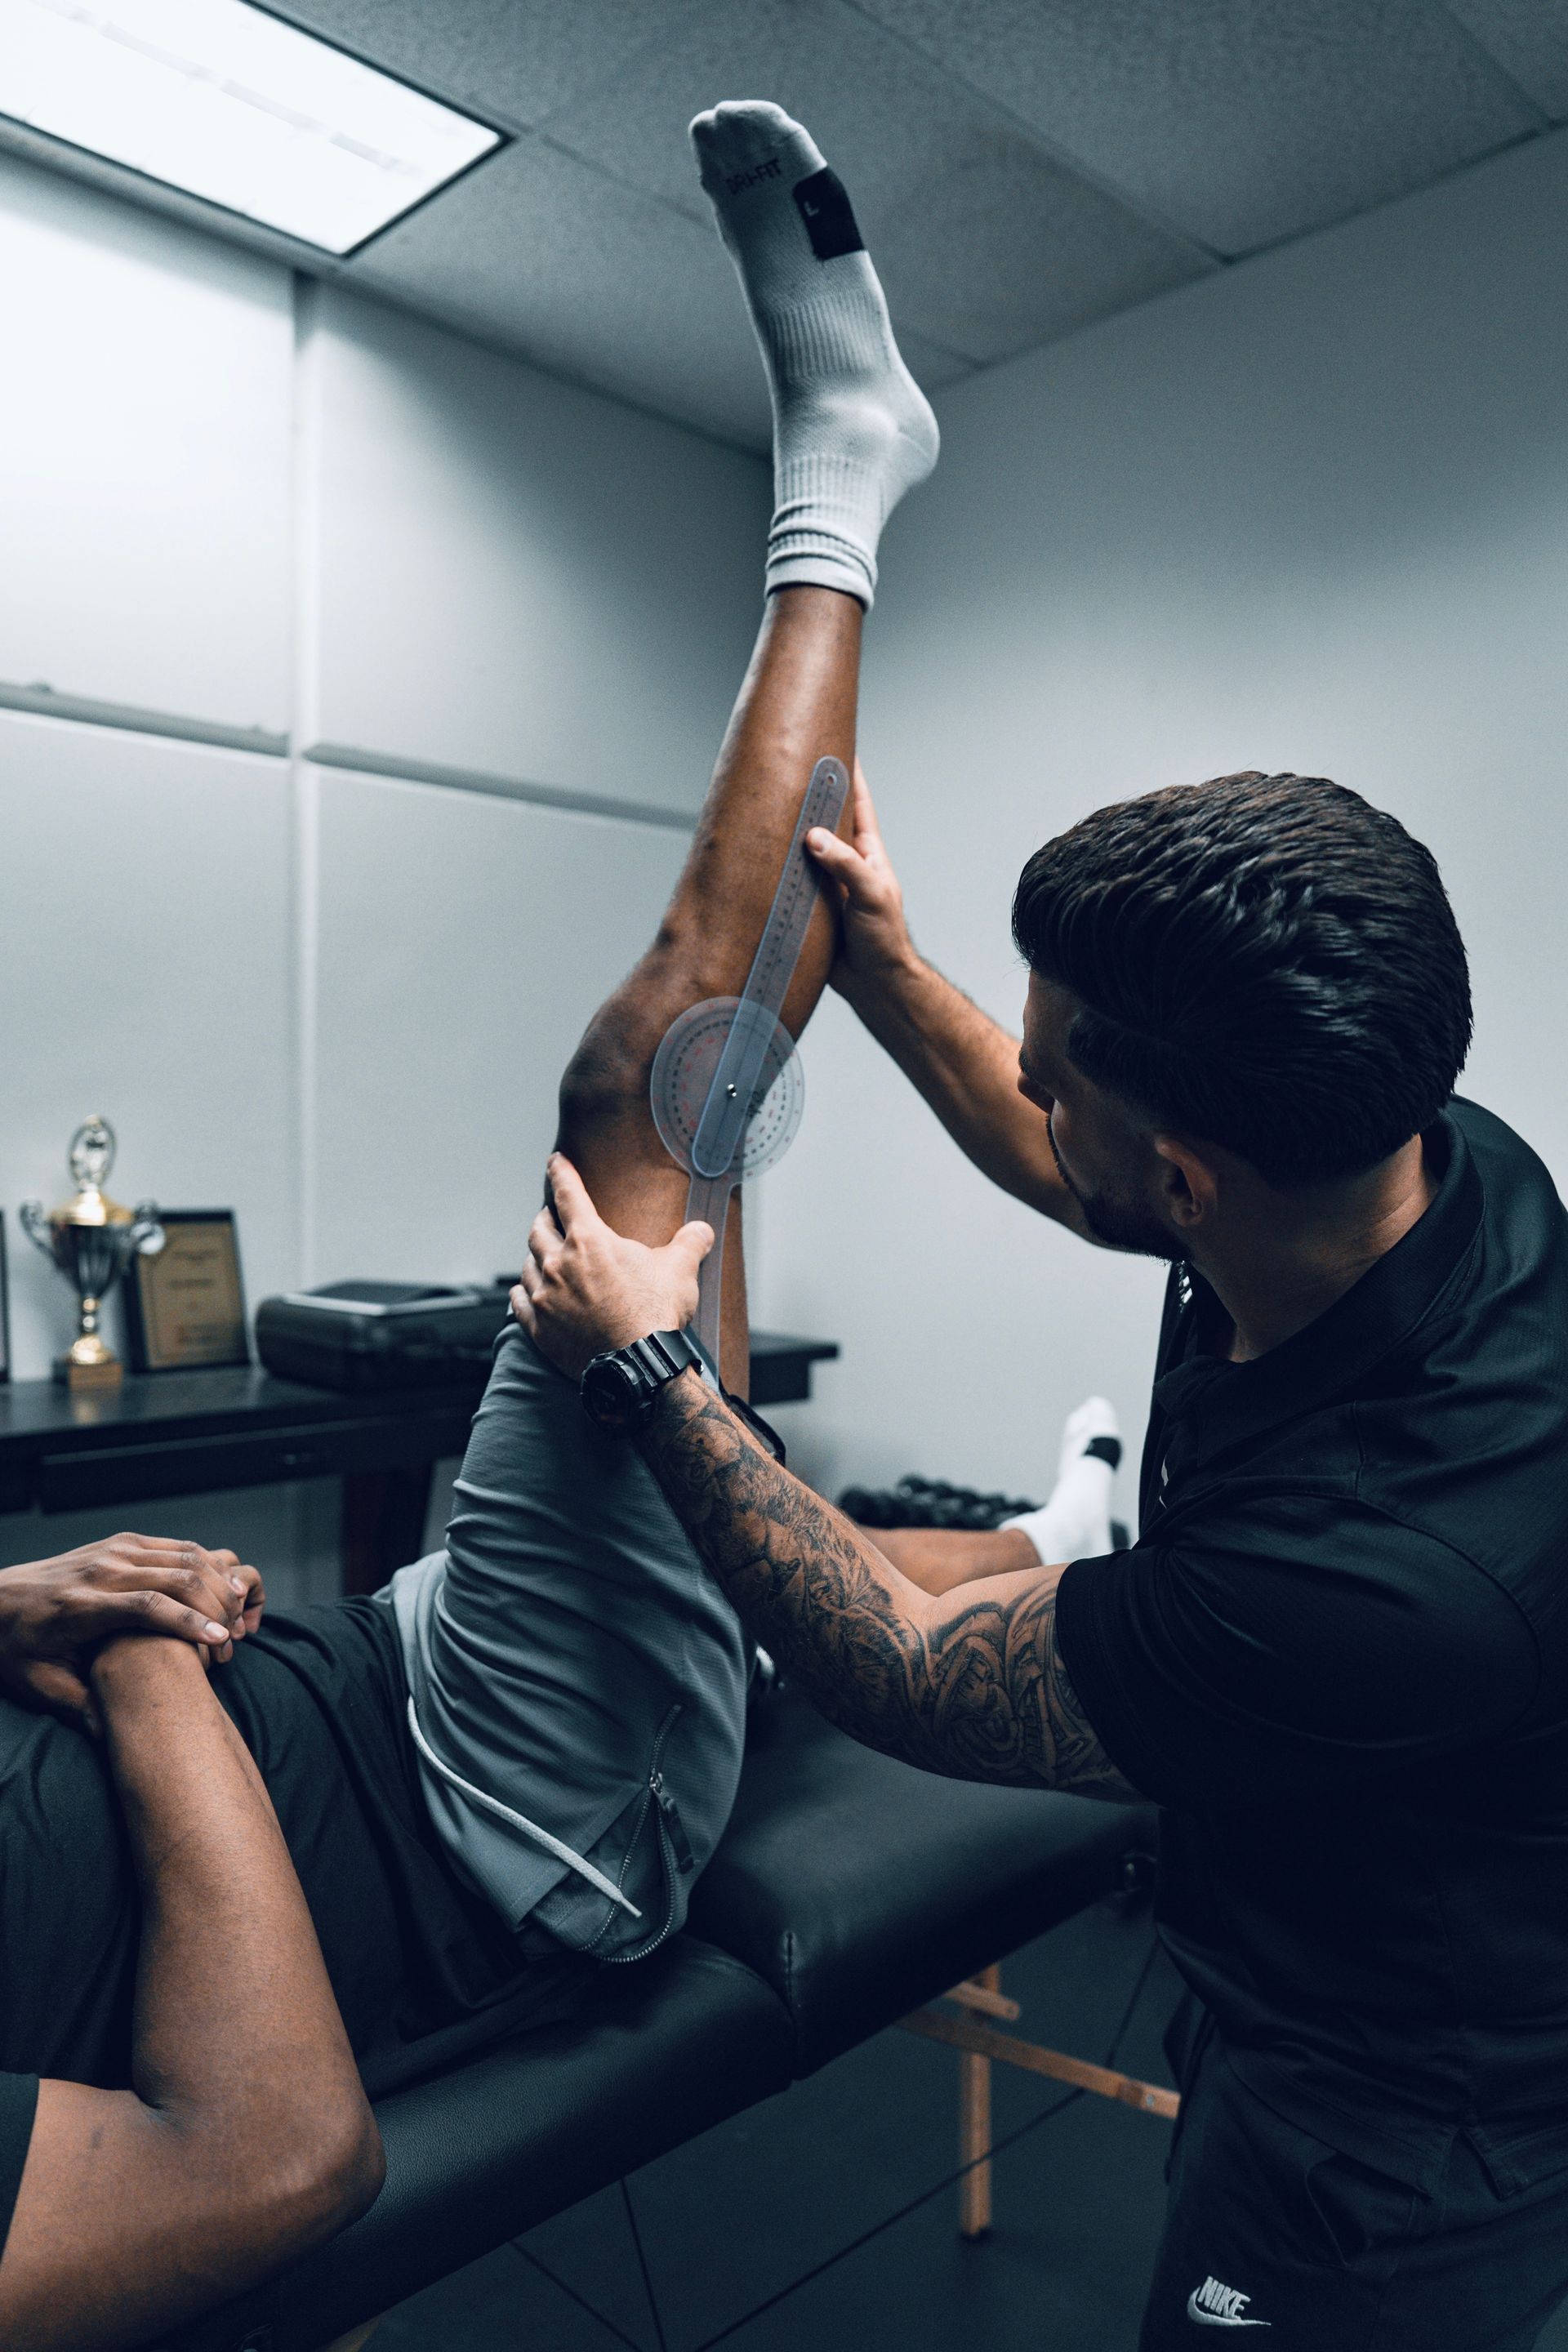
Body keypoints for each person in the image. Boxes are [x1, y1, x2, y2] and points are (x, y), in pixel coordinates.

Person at [512, 108, 1568, 2352]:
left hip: (1403, 2143)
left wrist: (649, 1361)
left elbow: (892, 1681)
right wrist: (881, 957)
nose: (1032, 1076)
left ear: (1190, 1167)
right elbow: (1066, 1150)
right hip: (1330, 1934)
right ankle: (1077, 1532)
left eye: (1061, 1052)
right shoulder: (1424, 1168)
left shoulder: (1384, 1581)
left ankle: (838, 481)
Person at [0, 96, 980, 2350]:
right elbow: (265, 2164)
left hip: (414, 1669)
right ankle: (844, 472)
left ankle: (1066, 1538)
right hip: (502, 1816)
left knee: (705, 1229)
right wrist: (139, 1661)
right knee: (646, 1114)